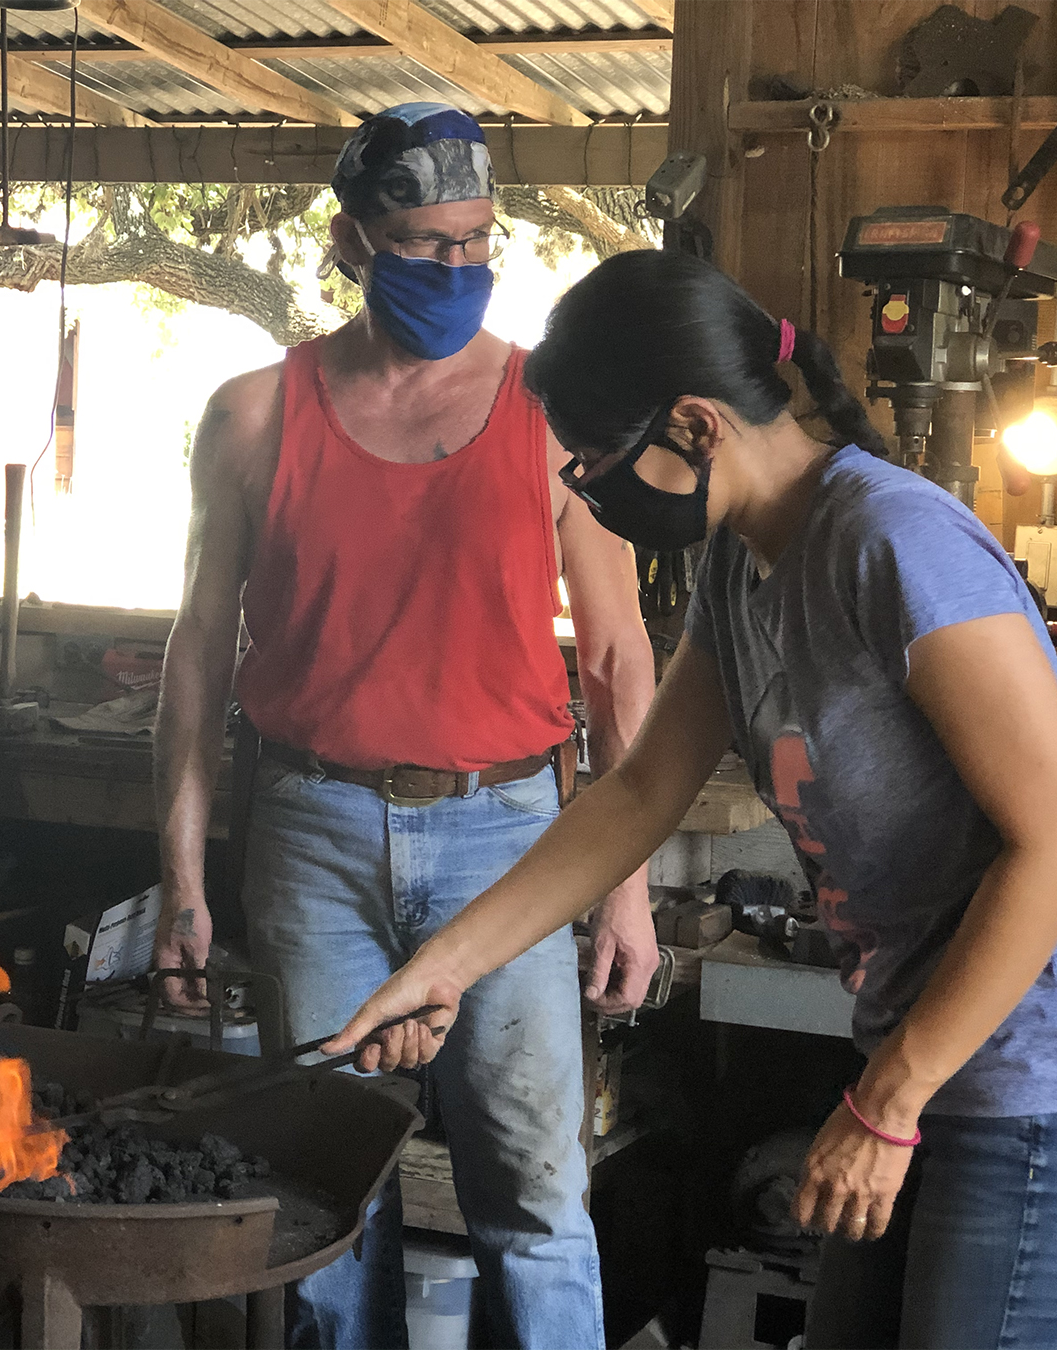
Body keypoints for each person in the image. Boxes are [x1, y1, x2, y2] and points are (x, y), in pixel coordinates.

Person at [325, 248, 1057, 1349]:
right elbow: (635, 799)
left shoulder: (892, 540)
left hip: (1044, 1082)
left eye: (595, 461)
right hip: (924, 1069)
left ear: (692, 425)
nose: (589, 489)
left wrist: (885, 1103)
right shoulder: (742, 565)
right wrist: (445, 969)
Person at [151, 103, 659, 1350]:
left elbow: (614, 657)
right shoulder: (253, 416)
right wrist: (180, 879)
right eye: (423, 243)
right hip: (312, 832)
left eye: (478, 242)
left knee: (534, 1198)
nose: (455, 270)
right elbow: (198, 653)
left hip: (512, 839)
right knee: (326, 1195)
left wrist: (627, 890)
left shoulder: (555, 412)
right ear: (353, 242)